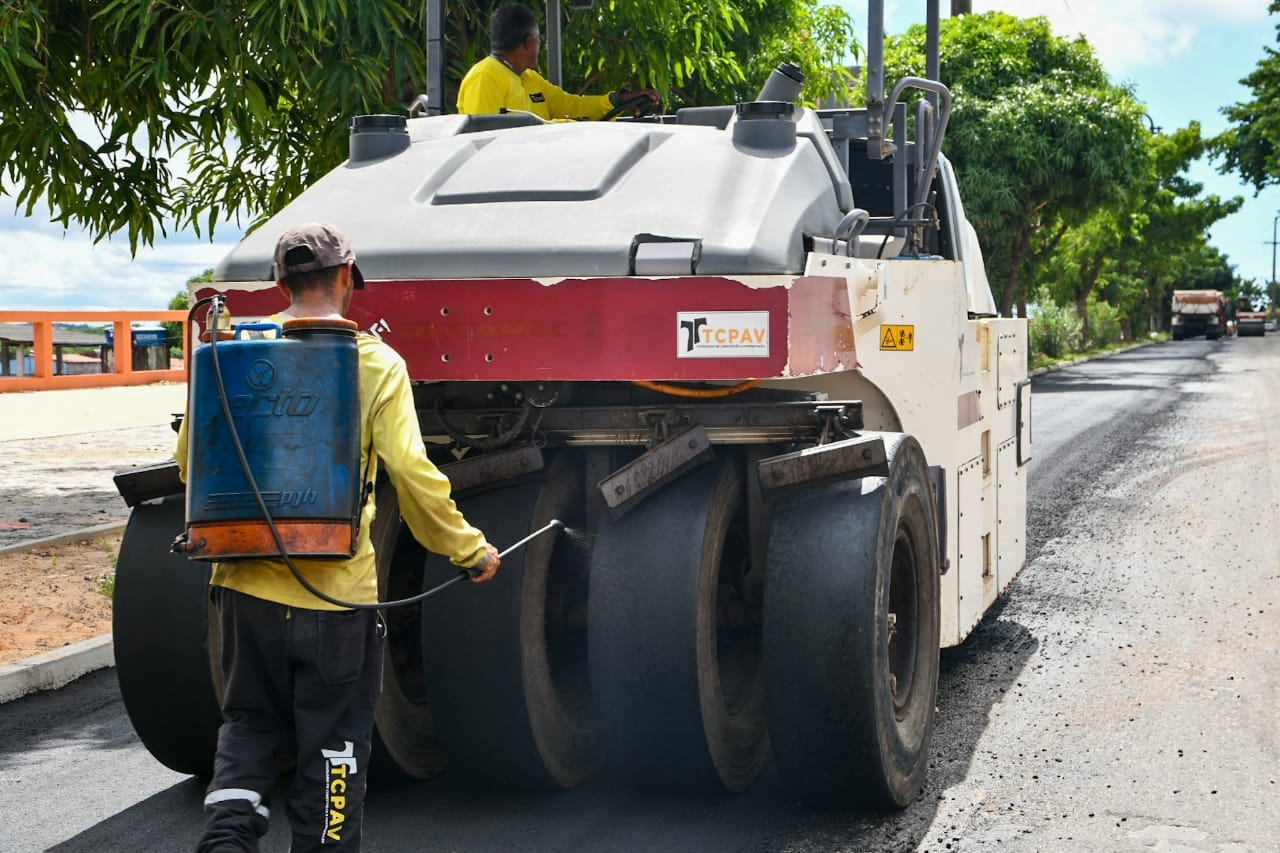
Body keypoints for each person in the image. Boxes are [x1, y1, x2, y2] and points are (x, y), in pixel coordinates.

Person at [175, 222, 501, 852]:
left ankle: (227, 838)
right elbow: (411, 472)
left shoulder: (228, 354)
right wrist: (468, 549)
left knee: (247, 727)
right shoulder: (374, 363)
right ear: (349, 278)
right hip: (337, 599)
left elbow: (194, 466)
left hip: (243, 590)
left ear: (277, 282)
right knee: (334, 746)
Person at [457, 2, 660, 120]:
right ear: (528, 42)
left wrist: (616, 100)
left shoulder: (529, 79)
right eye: (539, 39)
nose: (540, 45)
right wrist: (566, 128)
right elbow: (487, 142)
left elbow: (570, 106)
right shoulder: (485, 77)